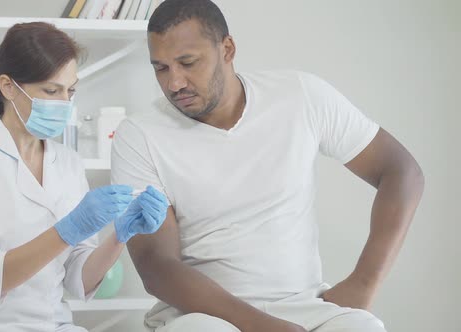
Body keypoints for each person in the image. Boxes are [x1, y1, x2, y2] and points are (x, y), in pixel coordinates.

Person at [110, 1, 425, 331]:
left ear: (227, 49)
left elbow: (401, 172)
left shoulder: (300, 96)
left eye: (188, 63)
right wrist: (261, 325)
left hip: (304, 306)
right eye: (161, 68)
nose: (174, 83)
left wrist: (364, 283)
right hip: (198, 316)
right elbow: (155, 264)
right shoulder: (140, 135)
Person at [0, 22, 168, 332]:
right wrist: (68, 230)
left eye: (71, 90)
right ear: (8, 86)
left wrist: (120, 234)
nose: (65, 102)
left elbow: (79, 281)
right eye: (52, 91)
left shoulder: (67, 162)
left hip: (52, 323)